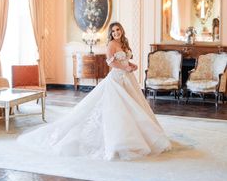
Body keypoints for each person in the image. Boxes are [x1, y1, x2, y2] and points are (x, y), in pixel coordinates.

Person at [18, 22, 171, 160]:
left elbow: (123, 60)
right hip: (117, 79)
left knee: (135, 106)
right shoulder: (111, 44)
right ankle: (119, 140)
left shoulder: (123, 43)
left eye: (118, 30)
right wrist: (125, 67)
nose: (116, 32)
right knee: (118, 109)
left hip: (128, 79)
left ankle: (140, 136)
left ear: (122, 31)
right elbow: (111, 63)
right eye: (113, 31)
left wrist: (131, 65)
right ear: (110, 34)